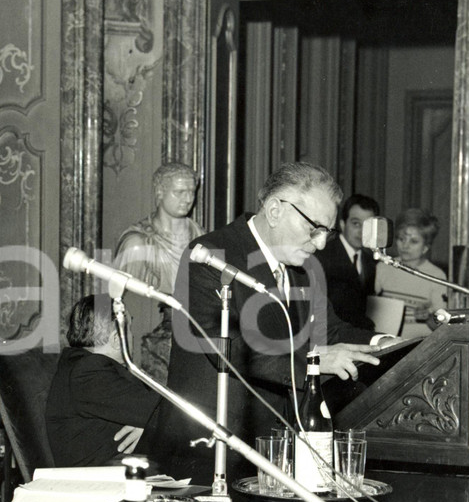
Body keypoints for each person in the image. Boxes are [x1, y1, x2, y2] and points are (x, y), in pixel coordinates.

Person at [164, 162, 385, 481]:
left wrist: (384, 343)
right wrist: (314, 362)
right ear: (275, 210)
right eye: (314, 228)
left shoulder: (304, 267)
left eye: (327, 232)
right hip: (210, 451)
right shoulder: (212, 256)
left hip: (276, 448)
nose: (321, 244)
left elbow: (328, 330)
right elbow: (229, 349)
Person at [44, 294, 165, 467]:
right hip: (98, 479)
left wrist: (146, 423)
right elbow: (164, 411)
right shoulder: (88, 371)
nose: (132, 336)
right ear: (116, 339)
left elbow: (154, 410)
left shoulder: (81, 365)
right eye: (130, 329)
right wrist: (148, 423)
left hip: (114, 470)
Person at [115, 163, 204, 383]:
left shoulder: (201, 238)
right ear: (159, 192)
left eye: (191, 192)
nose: (187, 199)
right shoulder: (137, 244)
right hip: (150, 335)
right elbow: (116, 298)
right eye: (179, 192)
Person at [375, 208, 447, 338]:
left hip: (420, 344)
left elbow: (443, 326)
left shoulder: (437, 276)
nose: (405, 246)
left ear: (425, 247)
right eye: (401, 239)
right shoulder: (383, 267)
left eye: (413, 241)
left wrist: (428, 317)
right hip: (385, 341)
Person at [313, 193, 380, 329]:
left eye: (368, 226)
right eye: (356, 224)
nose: (362, 232)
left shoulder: (371, 260)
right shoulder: (322, 256)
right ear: (342, 224)